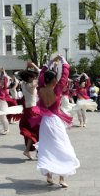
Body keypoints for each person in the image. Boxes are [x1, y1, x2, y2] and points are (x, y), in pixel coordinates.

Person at [36, 55, 80, 187]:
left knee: (47, 148)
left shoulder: (40, 89)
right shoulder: (57, 88)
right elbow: (65, 75)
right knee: (62, 147)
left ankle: (49, 176)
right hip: (55, 122)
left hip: (44, 123)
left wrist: (48, 63)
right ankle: (62, 178)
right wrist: (62, 61)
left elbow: (41, 76)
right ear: (54, 80)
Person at [17, 61, 41, 160]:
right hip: (32, 110)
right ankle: (38, 152)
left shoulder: (23, 84)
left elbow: (26, 76)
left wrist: (27, 67)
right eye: (32, 76)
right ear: (29, 78)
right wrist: (34, 65)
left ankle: (28, 150)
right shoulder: (31, 85)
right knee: (38, 131)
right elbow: (40, 73)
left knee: (32, 132)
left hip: (27, 110)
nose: (33, 77)